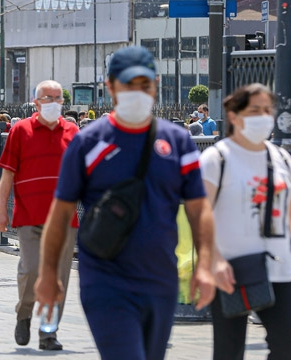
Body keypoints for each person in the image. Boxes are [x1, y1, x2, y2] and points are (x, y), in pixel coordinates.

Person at [34, 46, 218, 359]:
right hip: (106, 280)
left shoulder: (178, 141)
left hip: (160, 279)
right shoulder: (87, 143)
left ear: (156, 85)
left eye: (145, 85)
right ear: (111, 87)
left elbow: (199, 209)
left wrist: (206, 265)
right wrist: (48, 274)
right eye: (128, 84)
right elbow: (60, 213)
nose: (137, 92)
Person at [200, 83, 291, 359]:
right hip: (230, 268)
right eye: (254, 110)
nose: (263, 116)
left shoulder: (282, 158)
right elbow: (200, 214)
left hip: (279, 267)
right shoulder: (216, 158)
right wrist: (212, 260)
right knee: (229, 350)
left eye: (267, 110)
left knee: (286, 345)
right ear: (234, 116)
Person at [0, 80, 79, 351]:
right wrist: (0, 212)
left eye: (57, 97)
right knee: (30, 270)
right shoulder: (20, 130)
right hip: (29, 216)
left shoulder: (73, 132)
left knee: (58, 278)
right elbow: (7, 173)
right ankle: (24, 314)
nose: (52, 101)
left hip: (64, 220)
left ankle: (48, 332)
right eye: (47, 97)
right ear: (36, 102)